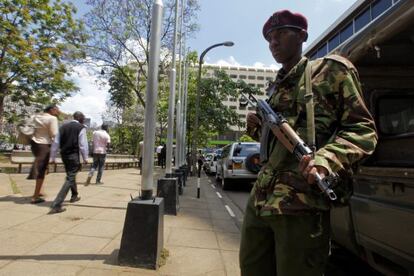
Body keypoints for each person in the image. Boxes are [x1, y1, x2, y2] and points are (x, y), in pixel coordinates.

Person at [239, 10, 378, 276]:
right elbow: (277, 147)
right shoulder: (275, 88)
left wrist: (326, 160)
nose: (273, 42)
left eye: (281, 34)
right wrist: (257, 130)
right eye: (269, 38)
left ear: (302, 36)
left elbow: (363, 130)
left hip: (301, 205)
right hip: (260, 200)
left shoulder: (330, 71)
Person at [49, 111, 89, 214]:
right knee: (70, 177)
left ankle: (74, 195)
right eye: (83, 118)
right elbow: (83, 144)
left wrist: (52, 157)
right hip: (73, 156)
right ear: (80, 119)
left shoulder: (62, 127)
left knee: (71, 175)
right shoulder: (81, 128)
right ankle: (57, 204)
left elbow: (56, 142)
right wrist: (85, 157)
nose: (83, 120)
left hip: (64, 155)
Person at [28, 105, 59, 204]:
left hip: (34, 144)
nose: (58, 111)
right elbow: (54, 134)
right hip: (44, 145)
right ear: (51, 110)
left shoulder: (35, 116)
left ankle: (40, 190)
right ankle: (35, 197)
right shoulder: (52, 118)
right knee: (41, 169)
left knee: (43, 168)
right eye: (57, 109)